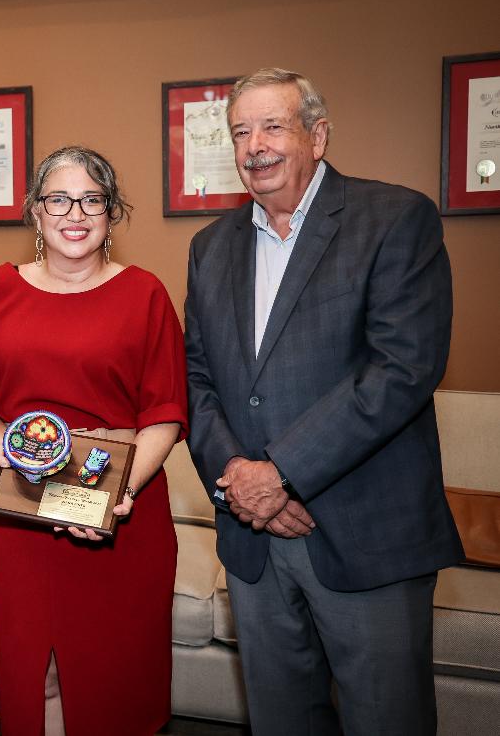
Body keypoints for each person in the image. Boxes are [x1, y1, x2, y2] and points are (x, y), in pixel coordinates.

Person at [184, 67, 464, 736]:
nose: (256, 146)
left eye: (273, 126)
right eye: (241, 132)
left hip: (366, 535)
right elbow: (196, 380)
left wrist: (280, 474)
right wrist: (240, 480)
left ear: (318, 136)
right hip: (254, 540)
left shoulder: (394, 218)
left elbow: (402, 369)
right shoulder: (209, 247)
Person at [0, 145, 188, 734]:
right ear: (35, 211)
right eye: (58, 199)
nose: (74, 214)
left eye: (91, 200)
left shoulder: (146, 294)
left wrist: (113, 495)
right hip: (24, 509)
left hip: (122, 511)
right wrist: (9, 446)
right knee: (38, 673)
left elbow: (166, 412)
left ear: (111, 212)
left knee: (115, 677)